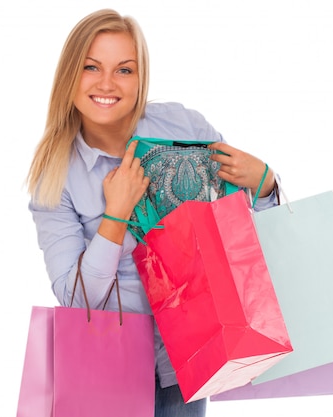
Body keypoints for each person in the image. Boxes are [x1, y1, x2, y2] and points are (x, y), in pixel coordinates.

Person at [26, 8, 279, 417]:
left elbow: (242, 249)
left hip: (189, 362)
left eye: (124, 70)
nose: (107, 84)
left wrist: (266, 185)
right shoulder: (55, 177)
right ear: (70, 73)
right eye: (92, 67)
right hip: (108, 371)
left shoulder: (185, 127)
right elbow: (77, 300)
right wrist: (116, 216)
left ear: (141, 78)